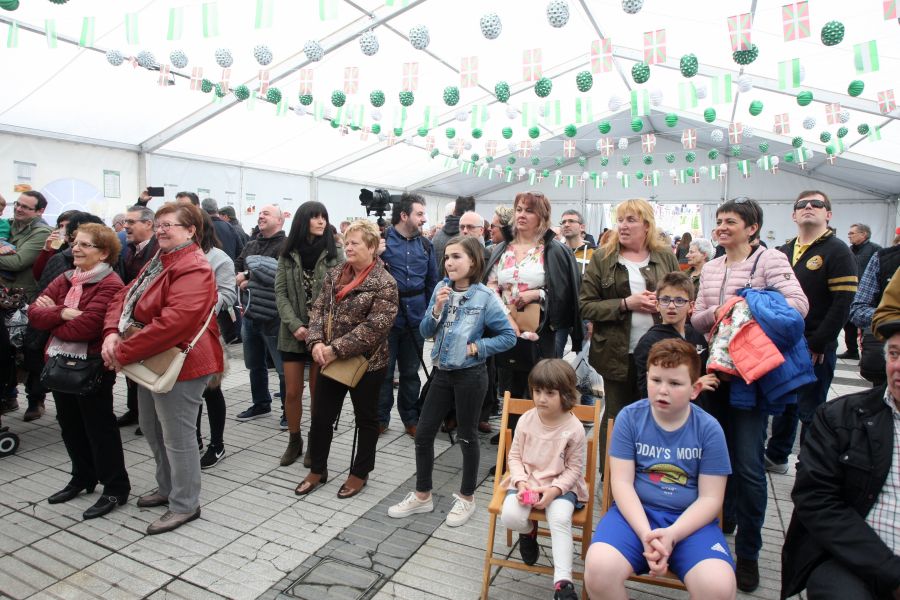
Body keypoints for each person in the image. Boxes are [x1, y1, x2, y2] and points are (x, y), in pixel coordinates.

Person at [692, 196, 809, 592]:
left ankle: (749, 553)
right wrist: (721, 311)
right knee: (715, 460)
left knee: (747, 464)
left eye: (731, 221)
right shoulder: (710, 267)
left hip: (752, 380)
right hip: (715, 375)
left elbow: (798, 306)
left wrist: (748, 304)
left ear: (752, 227)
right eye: (719, 220)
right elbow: (698, 317)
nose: (722, 227)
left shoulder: (770, 261)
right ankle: (721, 521)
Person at [101, 202, 223, 535]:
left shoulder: (194, 266)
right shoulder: (161, 260)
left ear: (191, 230)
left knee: (179, 437)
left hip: (181, 362)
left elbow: (175, 323)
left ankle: (185, 504)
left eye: (169, 224)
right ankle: (167, 487)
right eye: (159, 224)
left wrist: (122, 352)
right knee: (152, 429)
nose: (161, 230)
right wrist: (112, 332)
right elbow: (124, 297)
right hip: (150, 356)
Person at [585, 338, 735, 600]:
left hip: (690, 523)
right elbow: (621, 483)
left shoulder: (709, 429)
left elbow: (711, 498)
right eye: (656, 380)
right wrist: (646, 534)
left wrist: (672, 535)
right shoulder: (629, 418)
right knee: (598, 571)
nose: (662, 390)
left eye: (675, 383)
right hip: (634, 517)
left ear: (695, 388)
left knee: (719, 588)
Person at [388, 236, 515, 526]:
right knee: (423, 433)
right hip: (442, 372)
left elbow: (508, 336)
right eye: (446, 257)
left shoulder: (485, 297)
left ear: (473, 261)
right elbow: (424, 331)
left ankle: (467, 498)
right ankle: (422, 495)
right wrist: (435, 310)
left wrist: (478, 347)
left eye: (456, 256)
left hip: (471, 374)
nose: (449, 262)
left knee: (467, 436)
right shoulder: (440, 289)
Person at [780, 324, 900, 600]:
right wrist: (891, 570)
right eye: (893, 354)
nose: (898, 366)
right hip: (852, 560)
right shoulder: (841, 417)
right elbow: (815, 498)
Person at [29, 223, 131, 520]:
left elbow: (86, 327)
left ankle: (115, 487)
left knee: (99, 429)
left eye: (86, 245)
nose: (76, 248)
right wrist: (61, 311)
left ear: (103, 253)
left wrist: (53, 314)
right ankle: (82, 477)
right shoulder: (65, 277)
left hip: (91, 365)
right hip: (60, 362)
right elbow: (34, 313)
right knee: (69, 424)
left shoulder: (110, 284)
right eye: (75, 242)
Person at [295, 220, 398, 498]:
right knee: (321, 417)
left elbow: (375, 328)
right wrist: (315, 342)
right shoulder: (334, 274)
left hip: (367, 364)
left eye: (355, 243)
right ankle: (318, 469)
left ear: (372, 247)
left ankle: (359, 473)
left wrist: (334, 349)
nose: (348, 247)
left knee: (366, 420)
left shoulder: (384, 282)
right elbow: (317, 310)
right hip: (329, 359)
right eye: (347, 242)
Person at [579, 198, 678, 469]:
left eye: (631, 220)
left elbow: (680, 298)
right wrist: (625, 304)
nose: (623, 226)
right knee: (615, 416)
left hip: (658, 352)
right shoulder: (603, 257)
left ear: (647, 226)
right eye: (620, 220)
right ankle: (609, 477)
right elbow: (586, 305)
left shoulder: (665, 257)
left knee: (656, 415)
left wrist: (664, 304)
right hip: (615, 353)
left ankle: (648, 475)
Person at [765, 191, 858, 475]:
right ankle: (777, 455)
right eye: (801, 205)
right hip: (784, 342)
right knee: (785, 401)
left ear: (828, 214)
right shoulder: (783, 250)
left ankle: (810, 464)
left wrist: (820, 342)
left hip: (815, 345)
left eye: (816, 204)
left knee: (811, 409)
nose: (808, 208)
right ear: (793, 215)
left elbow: (843, 302)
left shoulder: (838, 250)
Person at [498, 359, 588, 600]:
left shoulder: (574, 428)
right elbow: (514, 456)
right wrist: (520, 481)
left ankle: (563, 582)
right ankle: (528, 532)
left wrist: (556, 490)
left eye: (550, 393)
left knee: (559, 518)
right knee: (510, 516)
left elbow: (574, 469)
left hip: (561, 485)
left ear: (566, 394)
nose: (541, 398)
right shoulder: (527, 419)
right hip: (528, 479)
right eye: (537, 391)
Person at [485, 191, 583, 398]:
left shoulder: (553, 250)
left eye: (529, 211)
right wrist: (505, 317)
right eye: (519, 209)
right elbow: (491, 285)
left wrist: (537, 293)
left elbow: (563, 292)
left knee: (540, 386)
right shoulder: (503, 248)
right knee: (509, 387)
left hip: (541, 331)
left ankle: (538, 428)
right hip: (504, 328)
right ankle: (512, 429)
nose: (521, 214)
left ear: (542, 216)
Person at [274, 201, 343, 469]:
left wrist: (316, 328)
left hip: (322, 334)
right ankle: (294, 440)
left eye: (324, 216)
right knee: (291, 392)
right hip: (292, 333)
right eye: (315, 217)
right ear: (303, 220)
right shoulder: (287, 253)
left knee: (318, 392)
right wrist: (294, 324)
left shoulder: (335, 252)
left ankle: (316, 442)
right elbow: (280, 294)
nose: (321, 221)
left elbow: (341, 293)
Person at [377, 193, 438, 437]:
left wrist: (430, 313)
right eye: (419, 214)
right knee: (384, 372)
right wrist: (374, 255)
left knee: (411, 373)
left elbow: (432, 281)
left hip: (416, 318)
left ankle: (411, 418)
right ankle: (380, 418)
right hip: (387, 317)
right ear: (404, 216)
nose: (424, 219)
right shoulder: (381, 241)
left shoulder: (426, 245)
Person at [234, 205, 287, 425]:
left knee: (284, 367)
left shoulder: (287, 246)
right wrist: (248, 275)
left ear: (280, 220)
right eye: (260, 214)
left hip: (274, 316)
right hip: (249, 313)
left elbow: (279, 275)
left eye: (266, 214)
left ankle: (288, 409)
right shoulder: (251, 244)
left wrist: (248, 277)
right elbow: (236, 268)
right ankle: (261, 403)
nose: (261, 216)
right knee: (254, 363)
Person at [193, 210, 236, 470]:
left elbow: (229, 295)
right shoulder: (167, 256)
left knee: (210, 389)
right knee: (189, 391)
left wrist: (197, 307)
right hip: (178, 336)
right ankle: (194, 438)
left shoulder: (218, 258)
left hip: (206, 333)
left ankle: (216, 444)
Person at [632, 271, 715, 401]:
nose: (671, 306)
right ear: (657, 305)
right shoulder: (649, 342)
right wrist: (694, 387)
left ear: (691, 306)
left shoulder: (697, 336)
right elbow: (647, 391)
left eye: (679, 300)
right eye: (665, 300)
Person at [115, 205, 158, 433]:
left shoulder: (157, 250)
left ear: (148, 224)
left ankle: (148, 416)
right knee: (132, 369)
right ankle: (136, 411)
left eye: (131, 222)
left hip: (147, 321)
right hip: (131, 318)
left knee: (146, 369)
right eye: (125, 222)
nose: (126, 226)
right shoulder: (130, 248)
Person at [0, 191, 52, 301]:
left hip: (18, 297)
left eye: (25, 207)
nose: (18, 209)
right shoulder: (8, 224)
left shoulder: (43, 233)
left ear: (40, 211)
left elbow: (17, 262)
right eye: (17, 204)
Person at [841, 223, 881, 360]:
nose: (849, 236)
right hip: (849, 291)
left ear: (863, 234)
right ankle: (852, 350)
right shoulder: (849, 250)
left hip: (867, 294)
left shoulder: (875, 250)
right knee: (848, 323)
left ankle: (866, 354)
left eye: (852, 233)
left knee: (864, 325)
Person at [433, 196, 476, 275]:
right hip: (462, 285)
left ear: (454, 211)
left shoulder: (436, 236)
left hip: (440, 284)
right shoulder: (470, 237)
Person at [200, 197, 243, 262]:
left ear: (203, 211)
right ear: (217, 209)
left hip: (209, 269)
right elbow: (240, 250)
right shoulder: (229, 226)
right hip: (229, 267)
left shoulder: (202, 227)